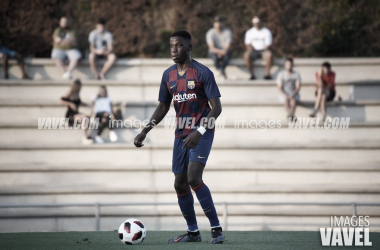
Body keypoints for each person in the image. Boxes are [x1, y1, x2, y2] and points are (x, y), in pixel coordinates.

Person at [134, 30, 225, 244]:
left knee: (193, 178)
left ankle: (217, 230)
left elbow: (217, 108)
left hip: (201, 132)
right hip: (180, 134)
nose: (174, 50)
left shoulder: (203, 73)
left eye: (179, 46)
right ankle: (193, 233)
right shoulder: (168, 75)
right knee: (180, 184)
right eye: (171, 46)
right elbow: (163, 106)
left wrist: (200, 131)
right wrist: (145, 130)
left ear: (189, 47)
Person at [60, 79, 92, 145]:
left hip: (76, 113)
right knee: (85, 118)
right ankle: (84, 137)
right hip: (71, 115)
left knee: (87, 117)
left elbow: (79, 102)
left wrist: (87, 104)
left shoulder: (77, 93)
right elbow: (61, 101)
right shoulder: (70, 93)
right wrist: (70, 104)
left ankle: (86, 136)